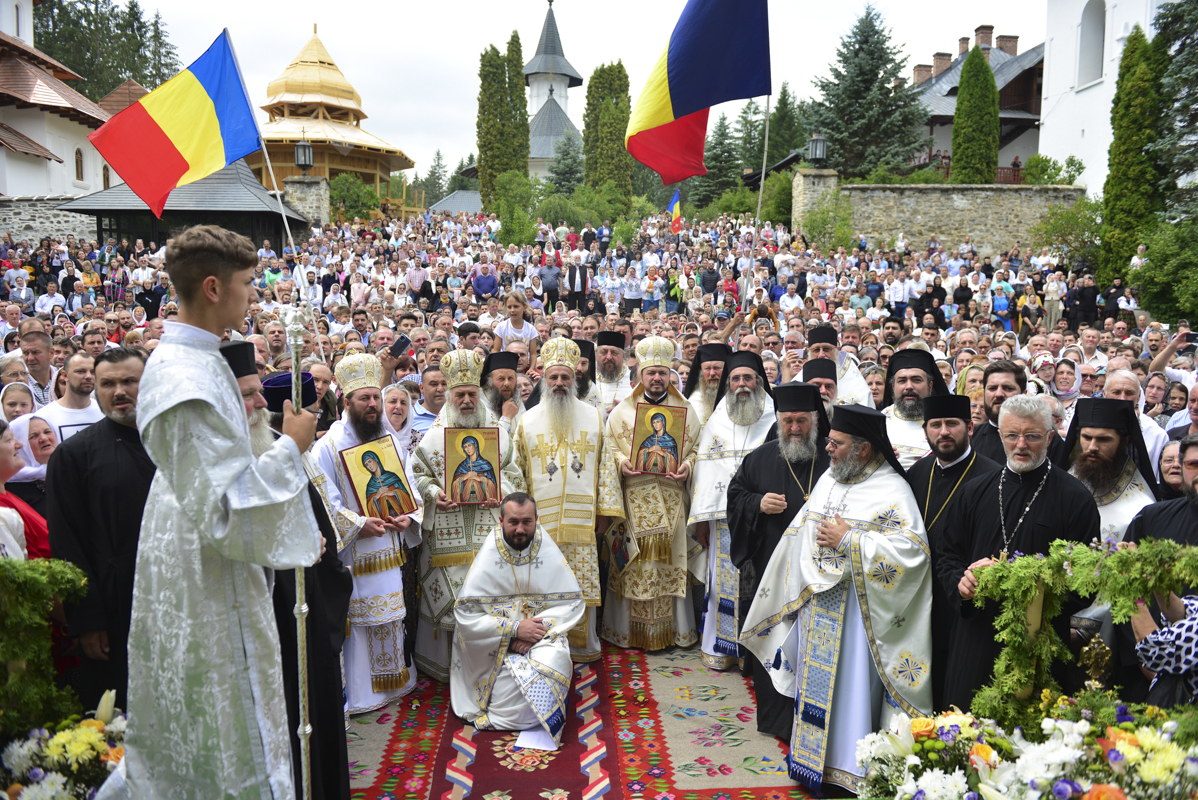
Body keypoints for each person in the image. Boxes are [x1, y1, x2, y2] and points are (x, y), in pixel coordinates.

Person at [114, 226, 321, 800]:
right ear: (212, 286)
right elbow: (228, 509)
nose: (254, 296)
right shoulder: (186, 377)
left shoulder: (199, 360)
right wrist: (292, 447)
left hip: (197, 549)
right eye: (248, 284)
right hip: (201, 568)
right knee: (226, 718)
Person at [741, 404, 931, 794]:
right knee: (814, 691)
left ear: (863, 449)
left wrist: (851, 540)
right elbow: (799, 535)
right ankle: (811, 763)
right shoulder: (831, 479)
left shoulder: (892, 490)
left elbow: (912, 556)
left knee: (850, 694)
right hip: (818, 608)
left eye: (837, 443)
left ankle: (847, 771)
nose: (827, 448)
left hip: (858, 617)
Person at [937, 395, 1100, 711]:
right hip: (976, 637)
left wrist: (1032, 587)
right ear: (1000, 435)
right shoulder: (974, 491)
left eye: (1032, 436)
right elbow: (947, 555)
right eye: (1012, 435)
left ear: (1050, 437)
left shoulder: (1075, 499)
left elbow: (1086, 581)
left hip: (1038, 642)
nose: (1021, 444)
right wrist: (962, 582)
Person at [252, 367, 354, 800]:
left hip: (310, 606)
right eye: (312, 411)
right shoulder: (267, 458)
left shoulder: (295, 455)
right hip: (280, 611)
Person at [46, 348, 154, 712]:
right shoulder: (75, 455)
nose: (118, 391)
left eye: (129, 381)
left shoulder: (174, 443)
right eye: (108, 383)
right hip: (113, 609)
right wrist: (87, 620)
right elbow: (67, 543)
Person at [313, 351, 421, 714]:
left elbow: (409, 486)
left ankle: (398, 681)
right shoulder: (328, 446)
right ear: (347, 401)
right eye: (365, 398)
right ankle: (363, 694)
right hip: (356, 552)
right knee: (360, 622)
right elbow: (324, 500)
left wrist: (410, 515)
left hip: (389, 548)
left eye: (376, 396)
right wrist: (360, 524)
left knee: (392, 615)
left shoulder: (386, 439)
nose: (373, 404)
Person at [410, 349, 525, 681]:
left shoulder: (498, 434)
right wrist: (435, 495)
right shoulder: (433, 436)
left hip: (488, 533)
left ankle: (485, 664)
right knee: (447, 598)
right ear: (449, 396)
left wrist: (497, 492)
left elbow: (515, 475)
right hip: (446, 541)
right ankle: (446, 667)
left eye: (471, 394)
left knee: (488, 600)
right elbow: (418, 476)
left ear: (479, 394)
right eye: (458, 394)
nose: (465, 400)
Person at [727, 383, 830, 738]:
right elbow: (736, 495)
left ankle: (816, 720)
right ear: (779, 420)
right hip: (772, 570)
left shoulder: (833, 459)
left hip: (820, 572)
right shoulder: (760, 457)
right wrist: (756, 503)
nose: (795, 428)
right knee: (775, 643)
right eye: (788, 421)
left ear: (815, 420)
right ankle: (776, 720)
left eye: (802, 421)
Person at [450, 493, 584, 745]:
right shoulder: (490, 552)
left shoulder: (546, 547)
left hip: (539, 637)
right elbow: (465, 613)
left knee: (556, 659)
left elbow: (572, 602)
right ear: (500, 520)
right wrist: (512, 631)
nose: (520, 529)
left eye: (527, 522)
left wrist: (534, 633)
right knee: (509, 690)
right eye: (513, 522)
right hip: (494, 647)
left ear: (536, 520)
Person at [599, 336, 701, 651]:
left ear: (670, 374)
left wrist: (687, 465)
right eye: (650, 372)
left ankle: (673, 633)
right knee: (634, 565)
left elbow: (698, 450)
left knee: (666, 565)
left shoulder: (687, 411)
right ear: (640, 375)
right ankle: (626, 633)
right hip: (632, 502)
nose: (656, 378)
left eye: (662, 372)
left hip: (671, 503)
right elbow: (608, 450)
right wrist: (621, 462)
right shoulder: (620, 414)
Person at [905, 394, 1001, 710]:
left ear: (970, 428)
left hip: (963, 597)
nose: (944, 431)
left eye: (952, 424)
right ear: (925, 431)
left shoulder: (993, 477)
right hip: (919, 596)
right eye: (936, 425)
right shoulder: (917, 473)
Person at [513, 338, 605, 662]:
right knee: (544, 583)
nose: (559, 383)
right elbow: (519, 470)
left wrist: (604, 512)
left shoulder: (594, 416)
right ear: (543, 378)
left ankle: (581, 645)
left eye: (565, 377)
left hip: (584, 521)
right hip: (541, 524)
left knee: (580, 582)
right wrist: (521, 520)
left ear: (574, 378)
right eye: (553, 377)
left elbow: (605, 467)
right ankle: (546, 642)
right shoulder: (526, 420)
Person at [688, 352, 774, 670]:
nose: (741, 385)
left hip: (764, 520)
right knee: (722, 585)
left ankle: (755, 653)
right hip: (723, 523)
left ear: (759, 383)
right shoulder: (717, 420)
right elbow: (705, 473)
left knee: (762, 584)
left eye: (747, 378)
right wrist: (702, 523)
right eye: (735, 379)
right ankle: (720, 647)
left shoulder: (773, 417)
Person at [879, 348, 950, 468]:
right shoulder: (880, 420)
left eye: (916, 380)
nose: (909, 387)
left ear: (930, 385)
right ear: (893, 386)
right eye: (902, 381)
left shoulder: (947, 421)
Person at [34, 351, 103, 442]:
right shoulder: (44, 417)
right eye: (80, 371)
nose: (88, 376)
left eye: (93, 372)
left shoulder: (105, 413)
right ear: (65, 375)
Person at [681, 342, 732, 424]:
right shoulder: (693, 400)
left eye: (717, 368)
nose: (712, 373)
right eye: (707, 368)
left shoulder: (737, 397)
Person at [594, 331, 632, 413]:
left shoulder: (632, 379)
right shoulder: (587, 378)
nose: (609, 357)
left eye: (614, 353)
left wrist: (626, 409)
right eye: (603, 352)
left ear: (623, 356)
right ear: (596, 355)